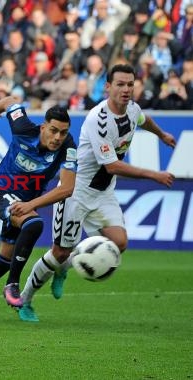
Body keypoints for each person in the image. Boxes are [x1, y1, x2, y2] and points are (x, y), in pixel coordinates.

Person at [18, 64, 176, 323]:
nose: (126, 89)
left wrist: (161, 134)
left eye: (130, 84)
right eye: (120, 84)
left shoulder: (132, 109)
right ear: (108, 87)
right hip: (75, 193)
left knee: (120, 243)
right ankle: (25, 300)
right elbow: (111, 165)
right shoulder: (98, 119)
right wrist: (154, 174)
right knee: (59, 252)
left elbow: (142, 119)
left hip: (103, 194)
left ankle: (65, 267)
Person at [0, 97, 77, 321]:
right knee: (34, 224)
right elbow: (10, 101)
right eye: (53, 130)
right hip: (0, 193)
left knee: (4, 260)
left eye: (63, 132)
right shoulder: (22, 128)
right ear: (43, 127)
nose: (58, 137)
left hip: (24, 203)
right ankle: (12, 285)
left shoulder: (68, 146)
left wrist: (30, 204)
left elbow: (67, 188)